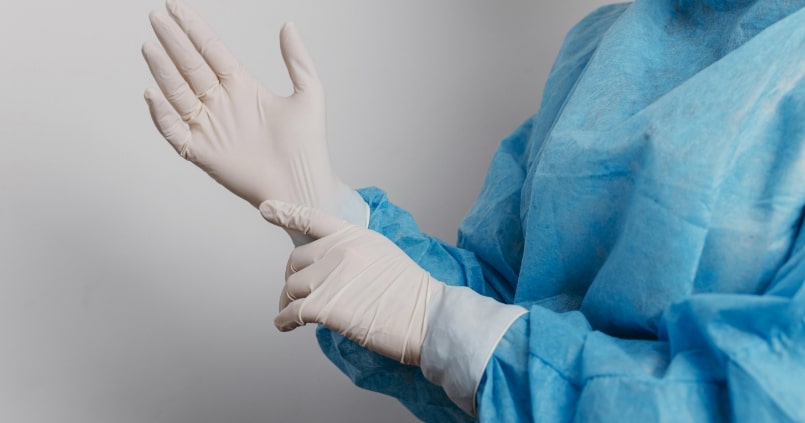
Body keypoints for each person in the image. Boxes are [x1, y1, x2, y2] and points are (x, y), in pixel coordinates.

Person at [142, 0, 805, 421]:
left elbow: (768, 395)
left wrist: (441, 324)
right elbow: (499, 305)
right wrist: (317, 200)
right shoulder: (607, 44)